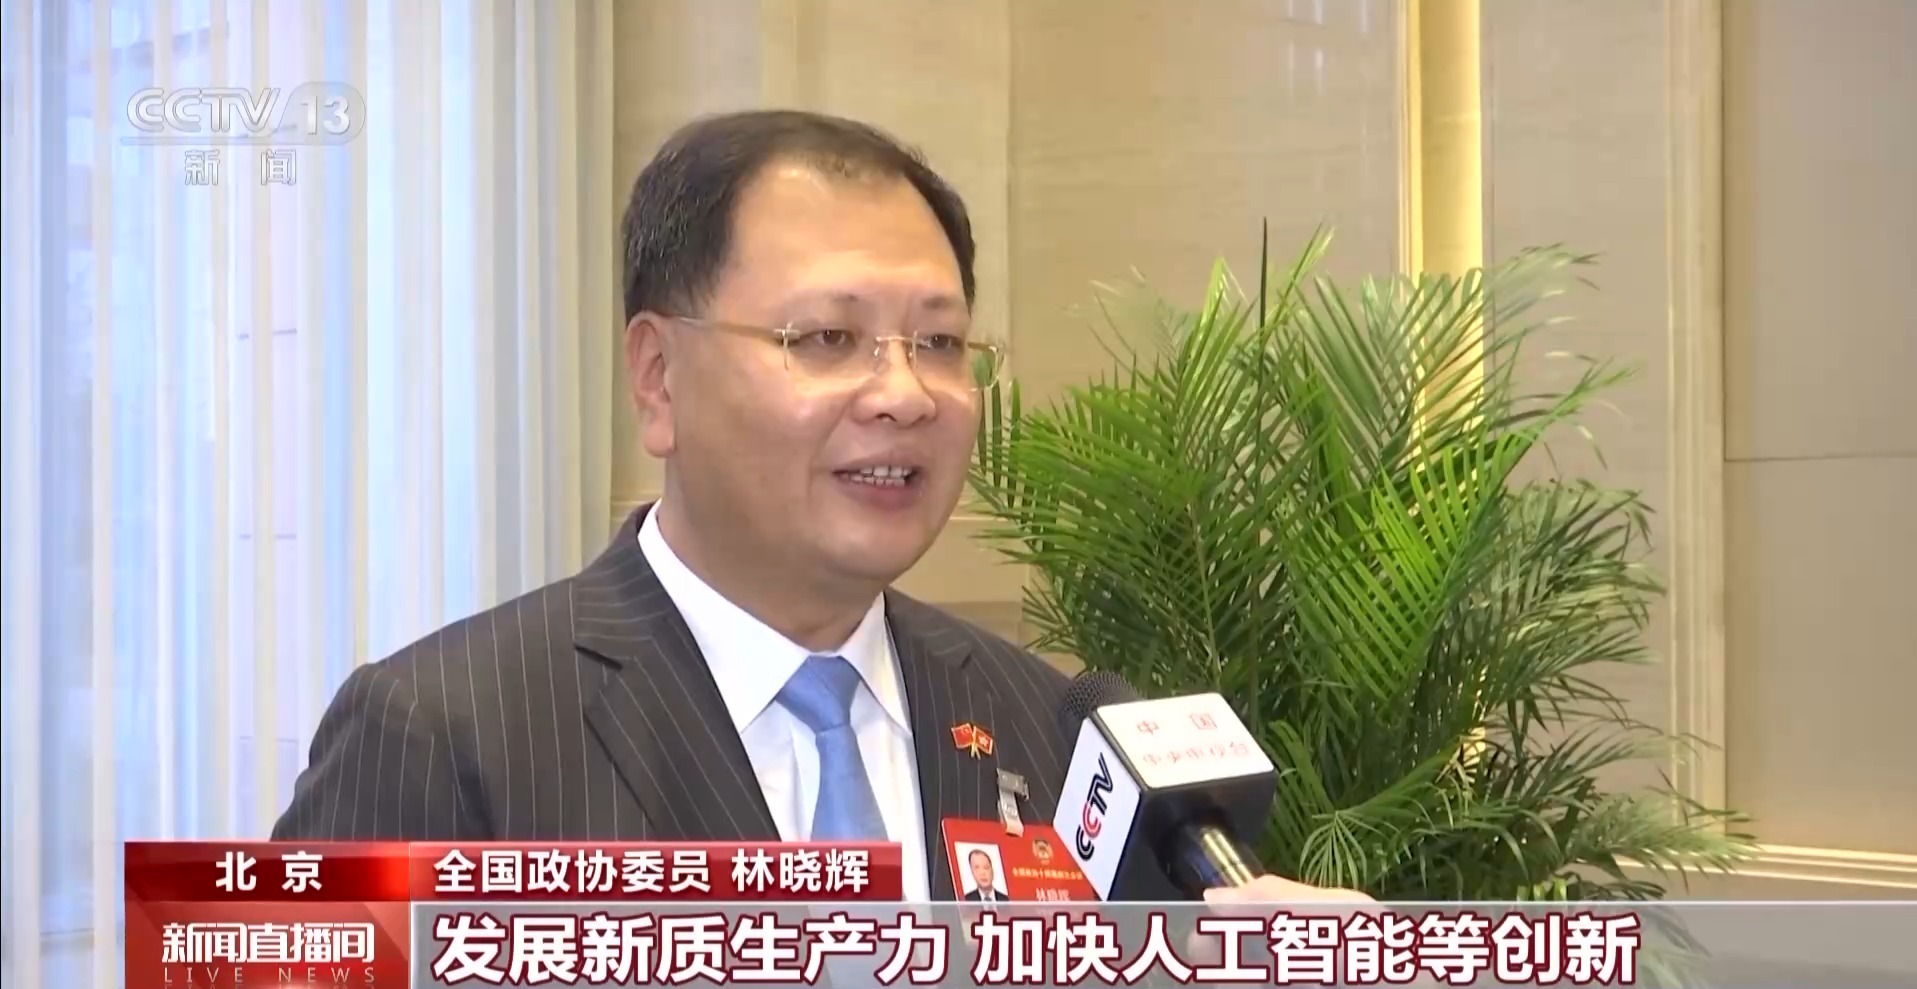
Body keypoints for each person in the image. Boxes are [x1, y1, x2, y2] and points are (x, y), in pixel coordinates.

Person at [271, 109, 1365, 906]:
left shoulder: (1047, 727)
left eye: (940, 341)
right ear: (658, 377)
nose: (904, 393)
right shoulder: (447, 732)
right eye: (828, 338)